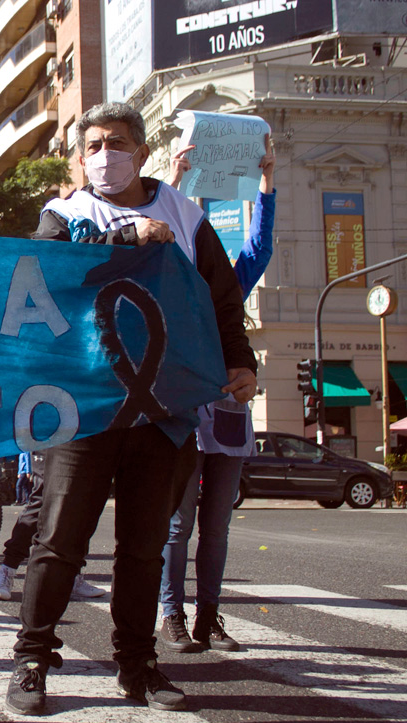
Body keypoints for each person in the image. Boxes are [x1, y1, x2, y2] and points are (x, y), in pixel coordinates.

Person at [5, 102, 258, 717]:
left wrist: (239, 359)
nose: (102, 155)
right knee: (60, 539)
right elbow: (42, 281)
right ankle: (32, 658)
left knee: (144, 546)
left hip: (164, 410)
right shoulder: (63, 215)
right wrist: (124, 239)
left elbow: (220, 298)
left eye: (114, 143)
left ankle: (138, 665)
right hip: (84, 407)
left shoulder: (187, 215)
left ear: (141, 152)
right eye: (91, 145)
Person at [159, 135, 277, 653]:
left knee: (218, 528)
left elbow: (260, 246)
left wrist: (267, 184)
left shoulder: (232, 282)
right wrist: (175, 181)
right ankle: (172, 615)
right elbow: (166, 227)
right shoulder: (174, 268)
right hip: (184, 411)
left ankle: (209, 617)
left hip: (229, 413)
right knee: (178, 524)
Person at [0, 451, 106, 601]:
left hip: (80, 435)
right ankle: (8, 568)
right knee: (42, 498)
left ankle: (72, 576)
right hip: (48, 437)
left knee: (79, 504)